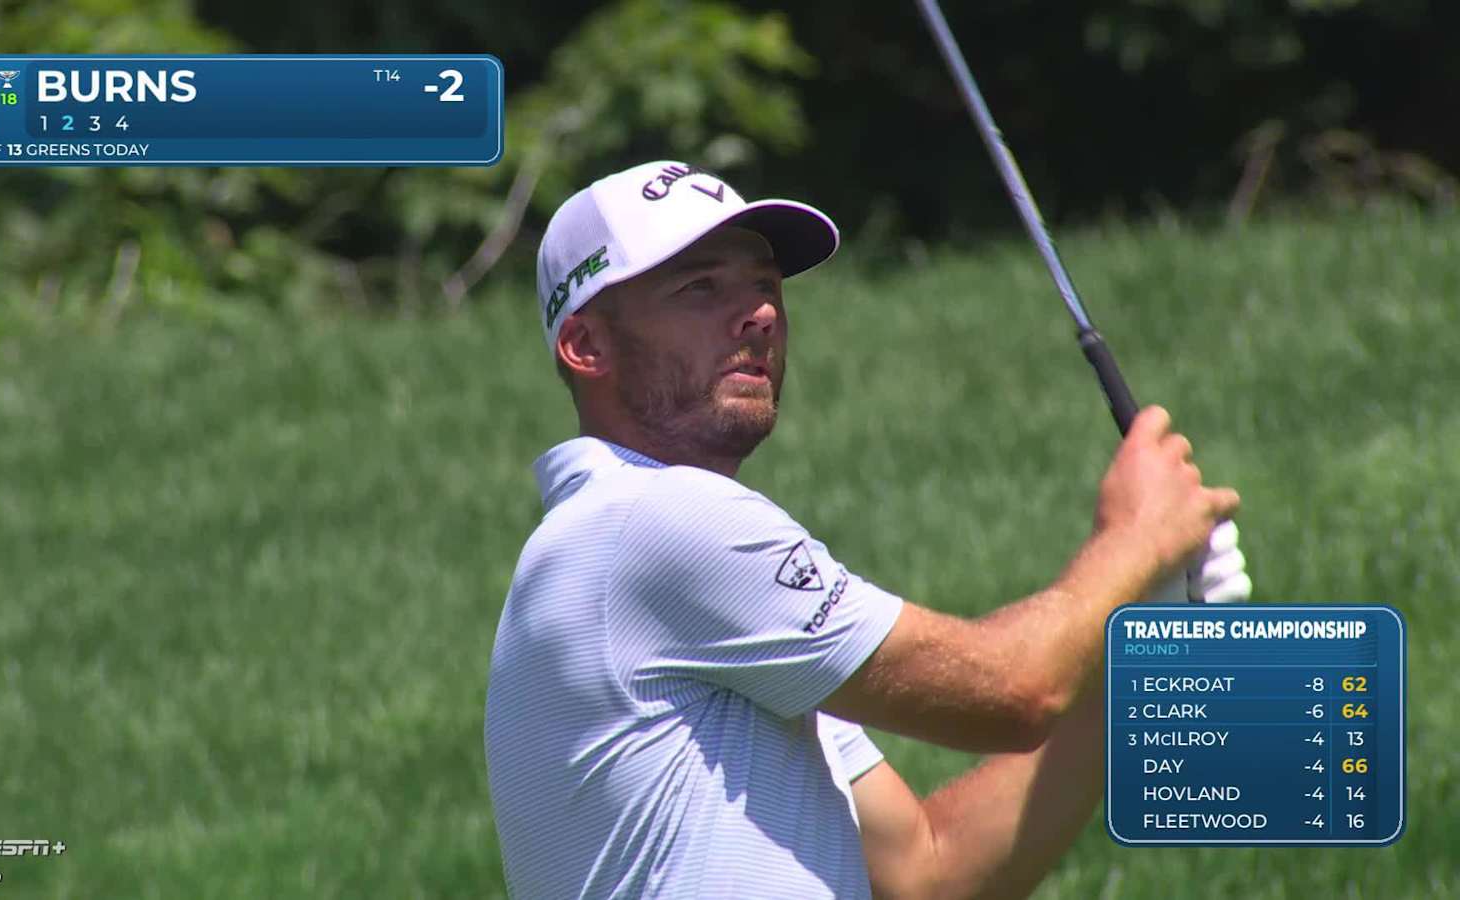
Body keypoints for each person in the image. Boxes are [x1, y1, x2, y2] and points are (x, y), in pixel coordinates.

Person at [483, 160, 1250, 899]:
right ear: (587, 346)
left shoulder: (635, 554)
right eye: (700, 287)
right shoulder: (652, 520)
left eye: (764, 285)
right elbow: (1016, 690)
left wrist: (1129, 650)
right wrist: (1134, 541)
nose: (760, 314)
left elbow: (931, 874)